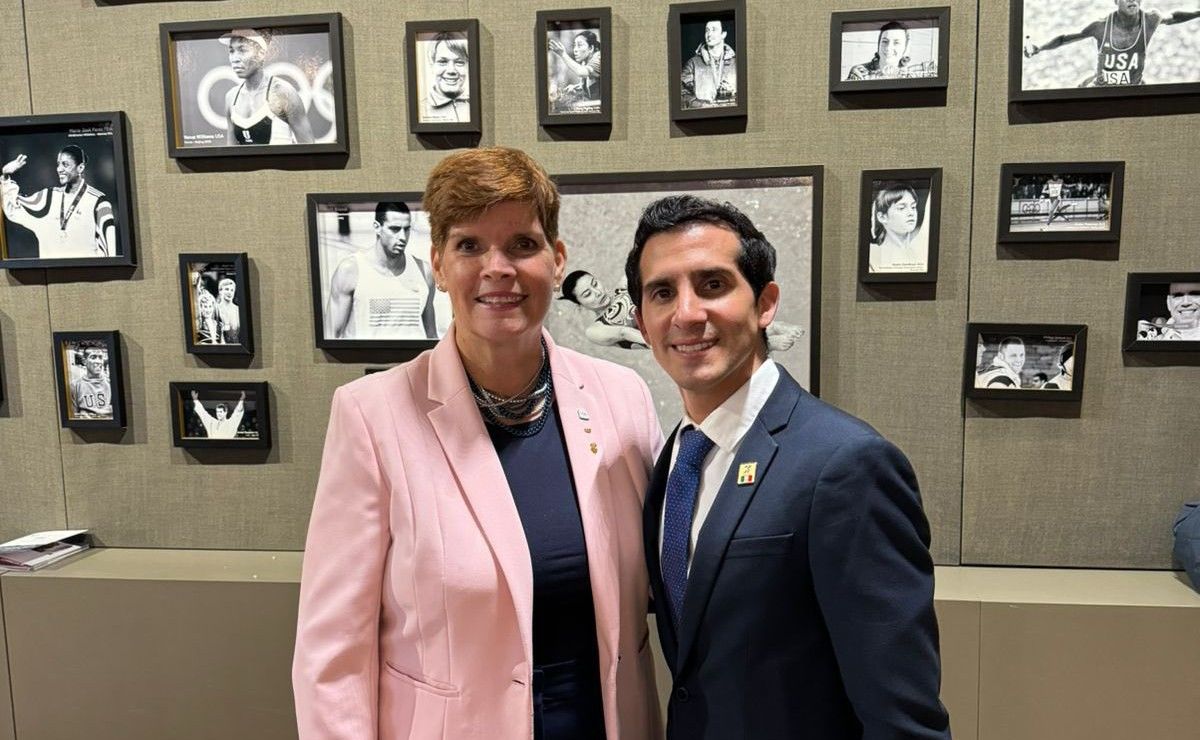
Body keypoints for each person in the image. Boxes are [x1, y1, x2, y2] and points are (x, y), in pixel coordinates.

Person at [293, 147, 662, 740]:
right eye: (469, 246)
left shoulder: (623, 399)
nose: (498, 268)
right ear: (437, 264)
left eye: (522, 244)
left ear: (557, 259)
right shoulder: (372, 417)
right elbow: (332, 652)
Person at [625, 194, 949, 739]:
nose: (686, 313)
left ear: (765, 303)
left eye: (712, 285)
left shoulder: (845, 464)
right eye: (663, 293)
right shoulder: (675, 460)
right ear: (641, 320)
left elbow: (902, 717)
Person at [561, 268, 806, 352]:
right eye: (587, 295)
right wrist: (661, 343)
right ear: (580, 304)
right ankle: (767, 339)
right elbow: (626, 335)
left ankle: (768, 328)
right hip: (658, 338)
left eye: (594, 284)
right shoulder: (597, 329)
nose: (597, 292)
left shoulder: (620, 289)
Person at [1023, 0, 1200, 87]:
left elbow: (1174, 17)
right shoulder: (1100, 26)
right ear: (1116, 1)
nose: (1132, 0)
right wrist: (1039, 48)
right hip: (1102, 88)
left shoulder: (1150, 19)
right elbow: (1064, 38)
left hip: (1133, 87)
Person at [326, 201, 437, 340]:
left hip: (413, 360)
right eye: (395, 229)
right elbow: (332, 335)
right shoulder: (351, 269)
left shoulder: (424, 271)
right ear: (377, 227)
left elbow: (431, 335)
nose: (402, 237)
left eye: (406, 229)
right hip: (365, 359)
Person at [0, 146, 116, 259]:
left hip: (86, 277)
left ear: (80, 168)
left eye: (65, 164)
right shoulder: (46, 197)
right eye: (58, 164)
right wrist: (5, 177)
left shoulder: (99, 202)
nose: (59, 169)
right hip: (50, 277)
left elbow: (109, 255)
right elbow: (13, 211)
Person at [222, 28, 314, 145]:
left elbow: (310, 150)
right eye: (231, 51)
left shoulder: (283, 92)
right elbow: (231, 155)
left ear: (261, 54)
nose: (234, 58)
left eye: (242, 50)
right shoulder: (230, 97)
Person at [868, 182, 928, 273]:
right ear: (882, 217)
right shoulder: (872, 253)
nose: (911, 213)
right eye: (901, 208)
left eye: (913, 207)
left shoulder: (921, 252)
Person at [846, 20, 938, 80]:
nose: (888, 48)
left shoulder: (913, 72)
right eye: (885, 41)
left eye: (896, 43)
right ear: (879, 44)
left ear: (905, 48)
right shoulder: (860, 72)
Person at [681, 20, 737, 108]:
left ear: (723, 34)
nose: (709, 34)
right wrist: (702, 106)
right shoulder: (693, 63)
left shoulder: (736, 63)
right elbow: (682, 94)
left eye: (714, 30)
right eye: (707, 30)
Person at [419, 32, 471, 123]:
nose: (451, 70)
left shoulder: (475, 105)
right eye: (443, 62)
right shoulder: (421, 110)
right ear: (432, 65)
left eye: (459, 62)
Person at [547, 30, 602, 111]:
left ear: (591, 48)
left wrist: (562, 54)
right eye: (574, 46)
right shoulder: (584, 62)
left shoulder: (599, 57)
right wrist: (577, 87)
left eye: (579, 45)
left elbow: (582, 72)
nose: (575, 49)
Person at [69, 346, 112, 419]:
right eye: (93, 357)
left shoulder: (110, 384)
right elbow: (74, 415)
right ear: (84, 361)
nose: (98, 361)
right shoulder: (76, 385)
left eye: (100, 357)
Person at [215, 278, 241, 344]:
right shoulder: (215, 308)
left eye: (232, 290)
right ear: (220, 291)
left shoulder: (238, 309)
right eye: (227, 289)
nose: (230, 292)